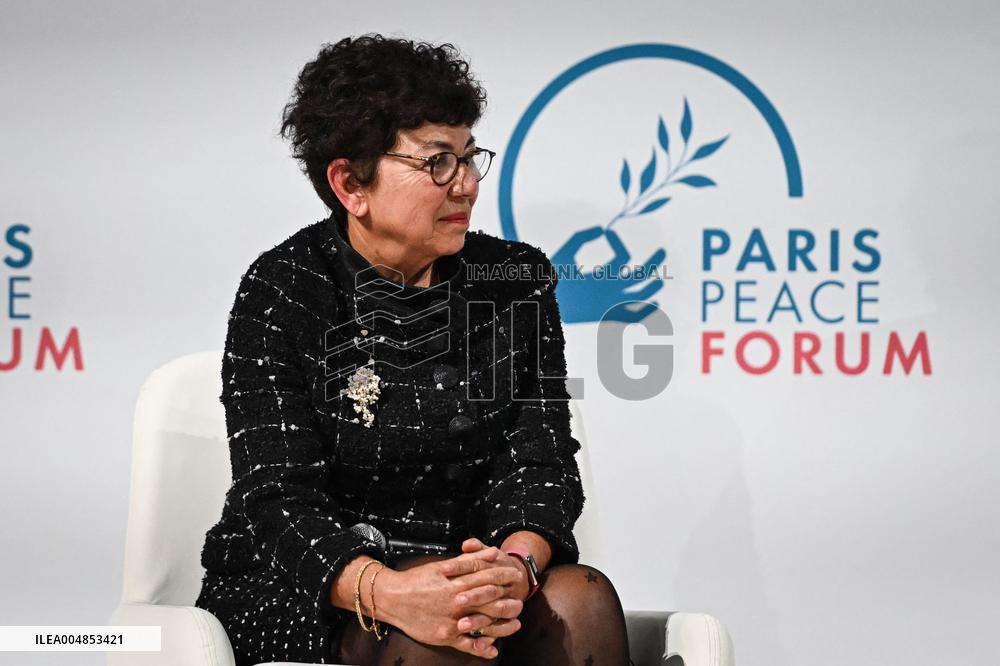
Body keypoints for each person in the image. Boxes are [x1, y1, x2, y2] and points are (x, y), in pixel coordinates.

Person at [195, 33, 632, 665]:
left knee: (580, 600)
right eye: (436, 163)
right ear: (351, 184)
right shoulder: (284, 291)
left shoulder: (514, 282)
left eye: (468, 156)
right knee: (437, 640)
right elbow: (278, 498)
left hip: (465, 570)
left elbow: (540, 465)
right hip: (312, 592)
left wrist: (516, 566)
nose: (466, 186)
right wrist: (390, 591)